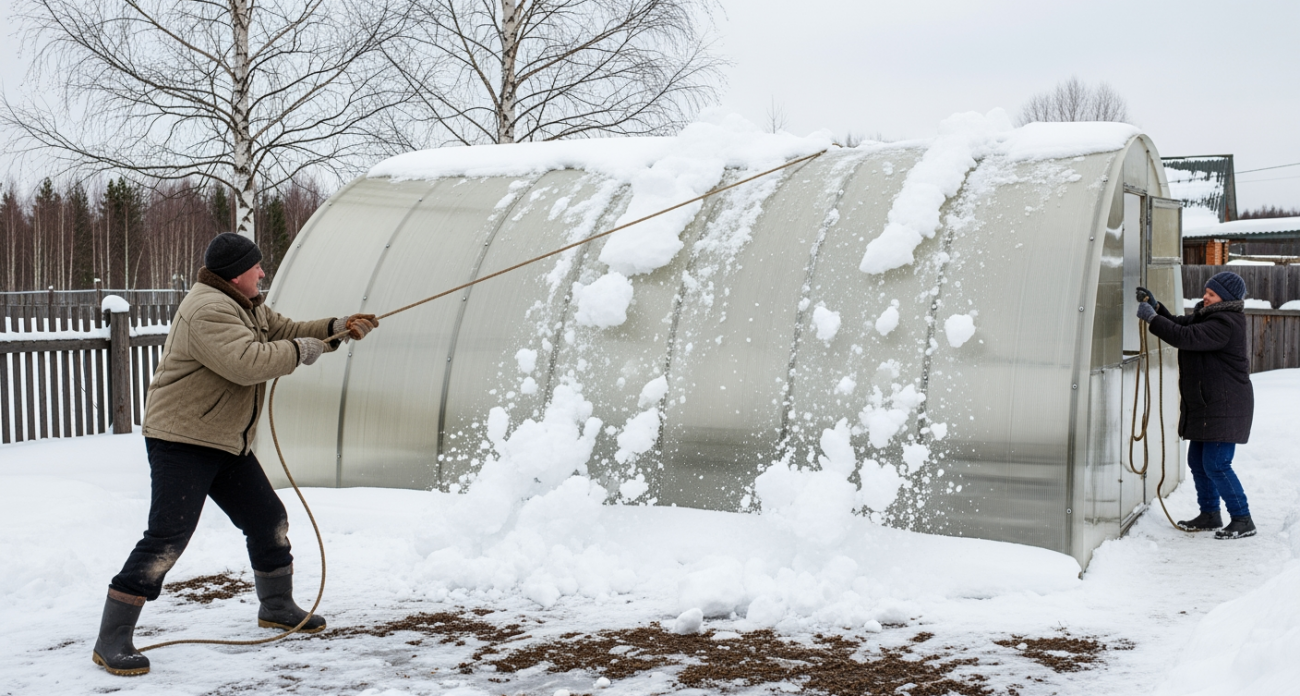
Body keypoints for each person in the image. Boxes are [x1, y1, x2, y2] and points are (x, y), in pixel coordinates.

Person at [92, 233, 379, 676]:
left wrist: (335, 328)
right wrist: (302, 352)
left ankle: (277, 606)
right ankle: (111, 638)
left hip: (225, 439)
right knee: (167, 538)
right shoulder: (208, 309)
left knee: (268, 519)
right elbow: (246, 363)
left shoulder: (245, 304)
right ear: (235, 273)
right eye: (257, 267)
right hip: (182, 440)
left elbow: (284, 331)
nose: (263, 272)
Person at [1136, 271, 1254, 541]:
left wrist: (1152, 319)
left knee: (1216, 464)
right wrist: (1157, 308)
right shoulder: (1209, 315)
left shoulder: (1225, 322)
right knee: (1198, 462)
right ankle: (1210, 514)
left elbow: (1185, 337)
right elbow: (1182, 324)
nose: (1205, 296)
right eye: (1206, 291)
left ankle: (1243, 518)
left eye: (1211, 294)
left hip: (1225, 404)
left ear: (1225, 298)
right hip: (1208, 403)